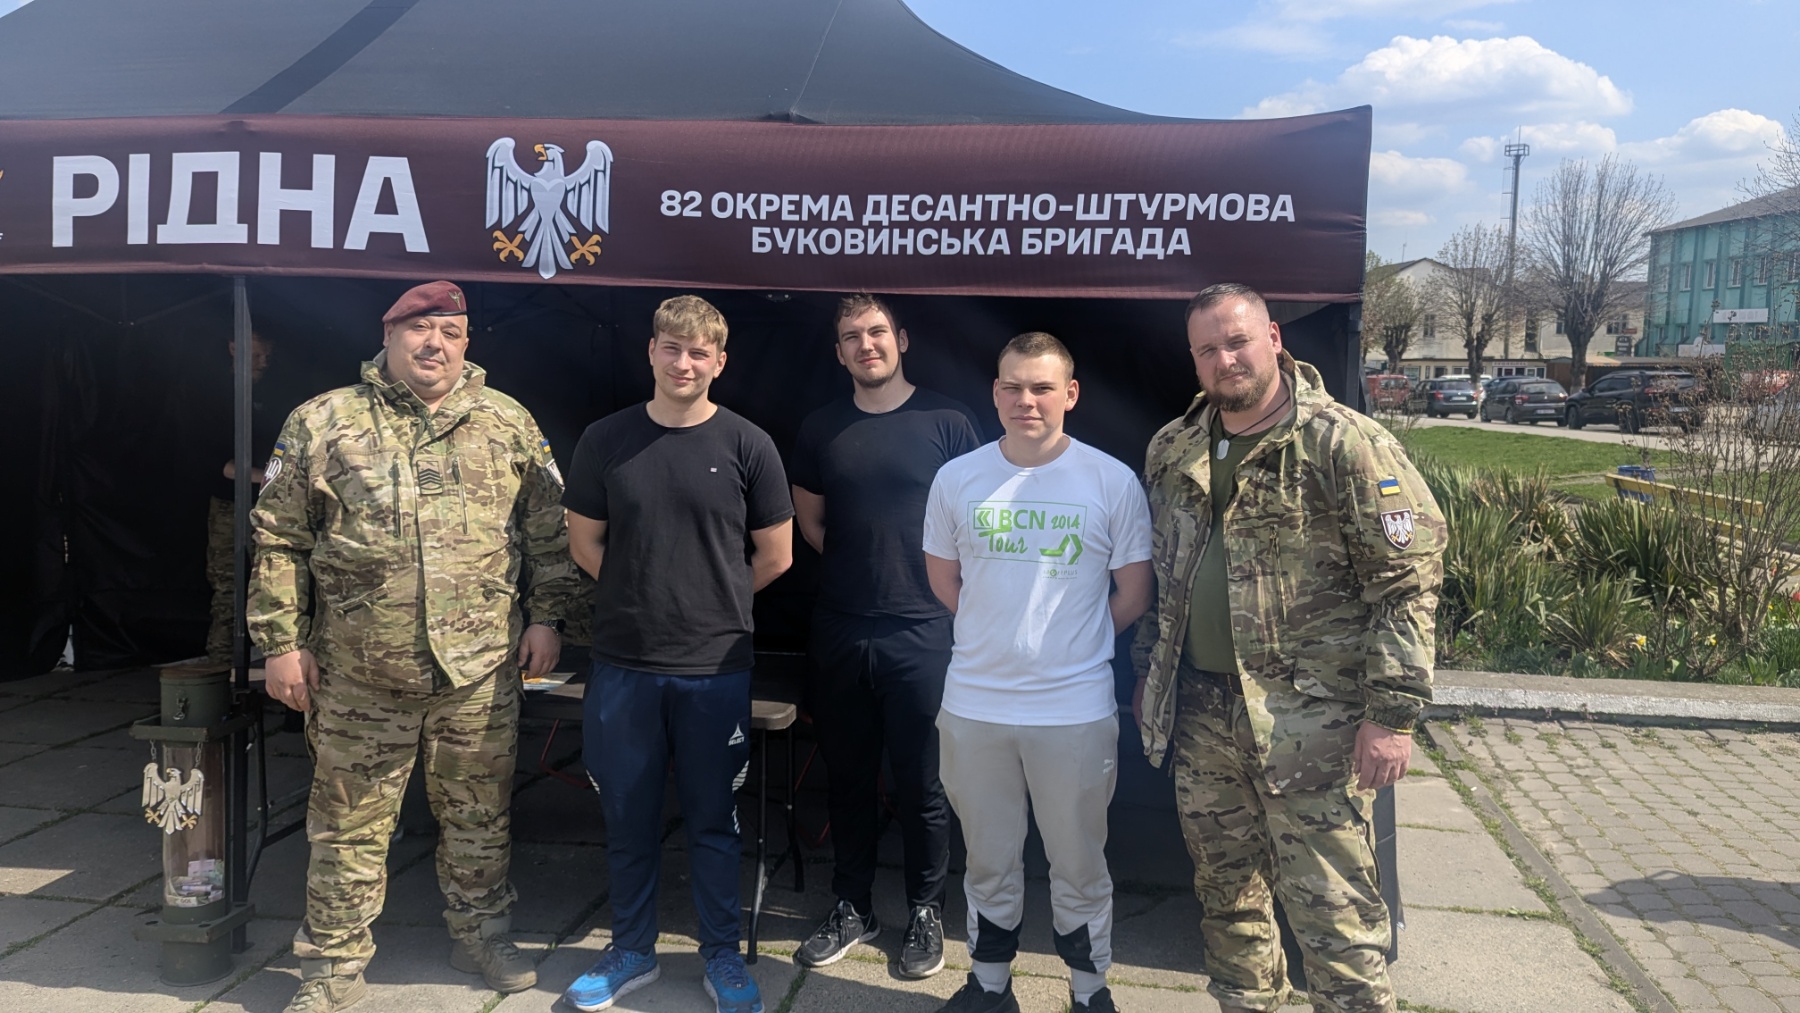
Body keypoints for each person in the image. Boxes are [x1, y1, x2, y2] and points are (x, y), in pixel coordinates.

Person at [249, 281, 580, 1013]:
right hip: (358, 670)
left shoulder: (506, 422)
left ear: (467, 344)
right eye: (421, 329)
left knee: (479, 814)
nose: (436, 344)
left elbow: (547, 530)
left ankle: (483, 934)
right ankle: (331, 964)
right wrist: (279, 641)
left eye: (451, 333)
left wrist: (548, 618)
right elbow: (278, 537)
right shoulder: (324, 420)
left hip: (478, 669)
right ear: (388, 335)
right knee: (346, 825)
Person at [1132, 283, 1445, 1013]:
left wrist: (1393, 715)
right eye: (1207, 349)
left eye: (1238, 341)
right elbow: (1163, 575)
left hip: (1312, 722)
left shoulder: (1343, 441)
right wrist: (1150, 673)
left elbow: (1406, 582)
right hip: (1203, 714)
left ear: (1273, 337)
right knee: (1228, 901)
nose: (1225, 360)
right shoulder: (1174, 446)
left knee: (1336, 919)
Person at [560, 295, 794, 1013]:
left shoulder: (749, 444)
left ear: (719, 362)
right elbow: (584, 543)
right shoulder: (606, 438)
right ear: (652, 352)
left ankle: (720, 954)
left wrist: (708, 599)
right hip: (624, 662)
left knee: (714, 821)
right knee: (627, 818)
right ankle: (632, 951)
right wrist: (644, 593)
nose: (684, 363)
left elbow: (777, 554)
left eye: (699, 352)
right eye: (672, 347)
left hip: (713, 668)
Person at [922, 332, 1153, 1013]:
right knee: (988, 858)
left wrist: (1070, 641)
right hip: (975, 706)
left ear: (1070, 394)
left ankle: (1089, 992)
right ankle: (990, 986)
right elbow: (944, 580)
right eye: (1013, 386)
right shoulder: (956, 479)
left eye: (1042, 387)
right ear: (995, 393)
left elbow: (1134, 593)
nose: (1027, 399)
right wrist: (1001, 632)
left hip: (1073, 710)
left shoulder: (1110, 480)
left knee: (1078, 861)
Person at [789, 295, 981, 978]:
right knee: (847, 778)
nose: (865, 345)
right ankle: (853, 906)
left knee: (924, 783)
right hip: (843, 626)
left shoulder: (948, 421)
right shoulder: (821, 427)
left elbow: (976, 523)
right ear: (838, 352)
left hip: (925, 629)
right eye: (851, 336)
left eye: (876, 332)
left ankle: (926, 909)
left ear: (901, 339)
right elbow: (813, 524)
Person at [204, 329, 283, 664]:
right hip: (231, 506)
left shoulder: (273, 394)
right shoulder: (214, 395)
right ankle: (221, 668)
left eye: (267, 356)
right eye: (256, 355)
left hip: (273, 504)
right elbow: (220, 465)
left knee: (278, 584)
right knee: (230, 588)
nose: (263, 363)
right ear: (234, 348)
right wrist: (272, 478)